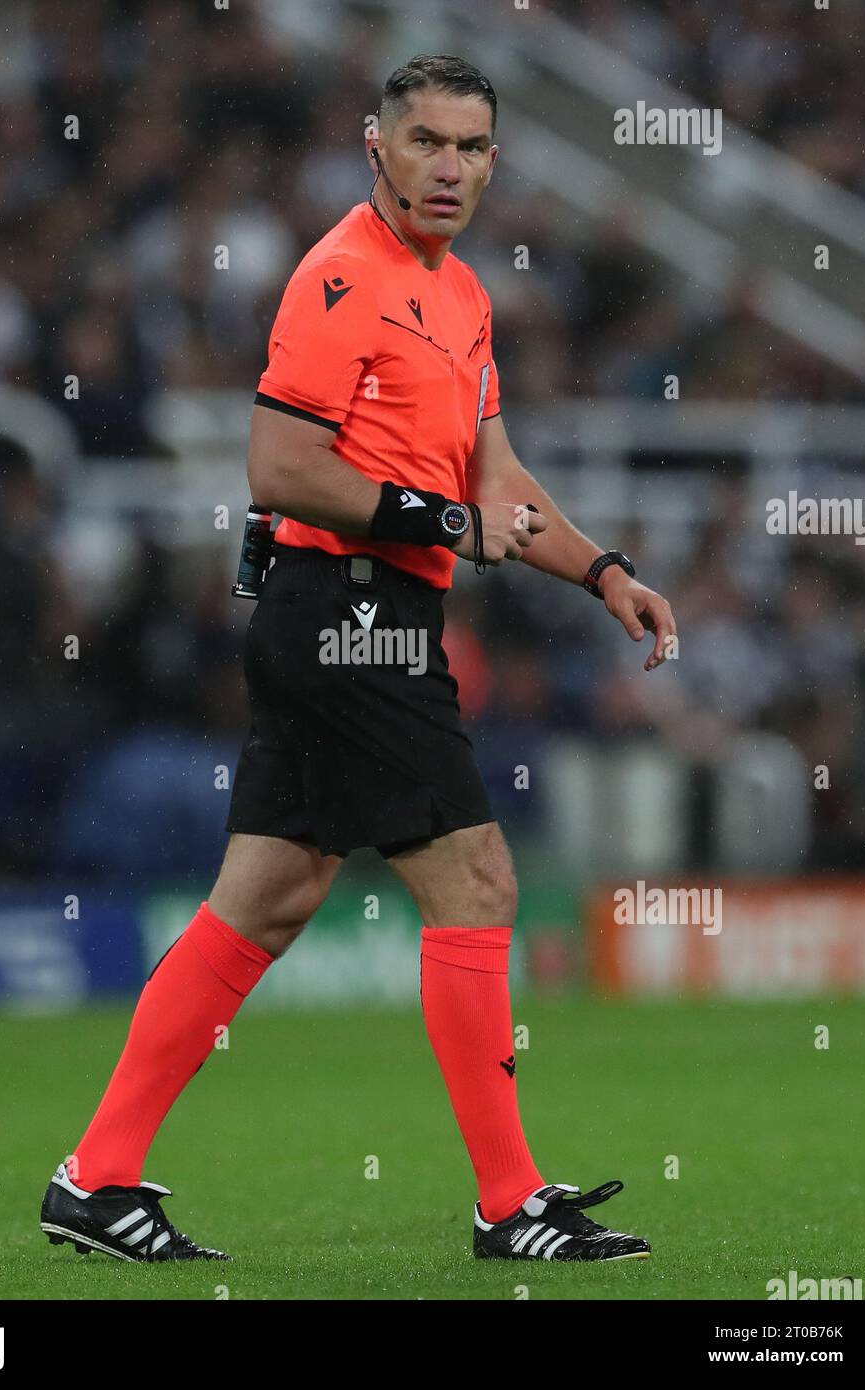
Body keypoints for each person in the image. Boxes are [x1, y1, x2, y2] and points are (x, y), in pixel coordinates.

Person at [40, 54, 677, 1265]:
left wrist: (603, 573)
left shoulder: (461, 295)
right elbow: (279, 468)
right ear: (373, 147)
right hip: (344, 611)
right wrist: (442, 526)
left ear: (493, 161)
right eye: (426, 142)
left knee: (267, 897)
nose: (448, 167)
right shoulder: (340, 277)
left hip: (356, 609)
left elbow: (495, 481)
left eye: (471, 148)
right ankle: (509, 1203)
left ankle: (95, 1178)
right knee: (479, 880)